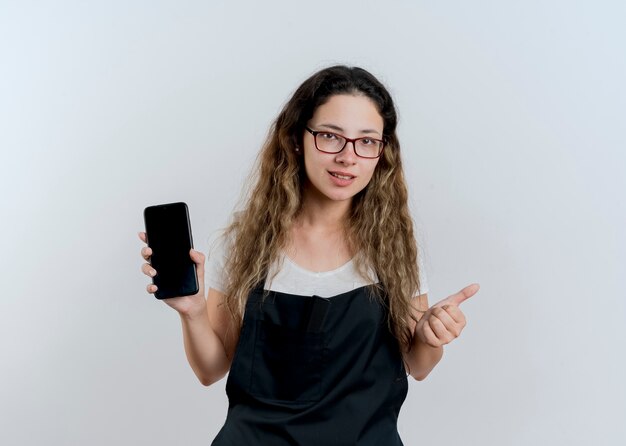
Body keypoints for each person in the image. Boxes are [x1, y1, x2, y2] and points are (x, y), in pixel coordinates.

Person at [138, 65, 479, 445]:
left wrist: (432, 336)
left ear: (382, 152)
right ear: (297, 139)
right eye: (330, 137)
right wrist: (193, 311)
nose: (348, 157)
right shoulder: (246, 242)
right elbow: (210, 369)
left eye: (366, 141)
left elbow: (417, 366)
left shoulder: (393, 244)